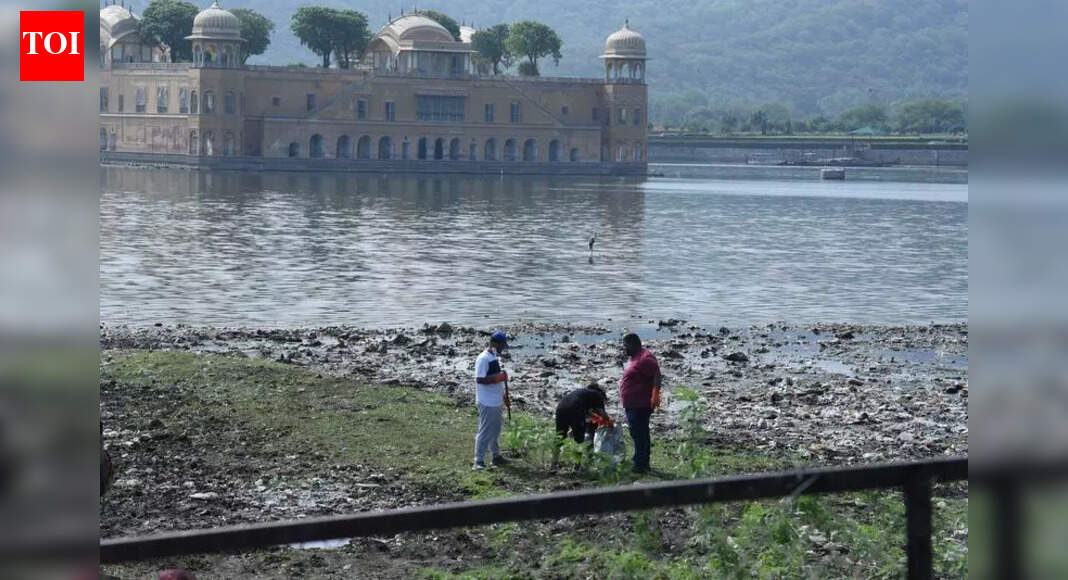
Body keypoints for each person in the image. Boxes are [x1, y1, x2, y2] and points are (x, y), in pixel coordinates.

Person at [619, 333, 662, 473]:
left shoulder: (645, 358)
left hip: (640, 404)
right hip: (633, 403)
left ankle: (641, 464)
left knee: (640, 433)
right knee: (637, 432)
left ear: (633, 344)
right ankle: (640, 460)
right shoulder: (635, 357)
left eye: (626, 346)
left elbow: (656, 373)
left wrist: (655, 394)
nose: (624, 349)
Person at [473, 330, 511, 470]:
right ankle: (478, 461)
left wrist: (504, 397)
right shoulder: (483, 358)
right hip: (487, 401)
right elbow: (480, 379)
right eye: (502, 345)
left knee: (495, 430)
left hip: (496, 400)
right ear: (495, 343)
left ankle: (496, 456)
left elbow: (497, 378)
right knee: (485, 431)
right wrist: (498, 378)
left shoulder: (493, 356)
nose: (503, 348)